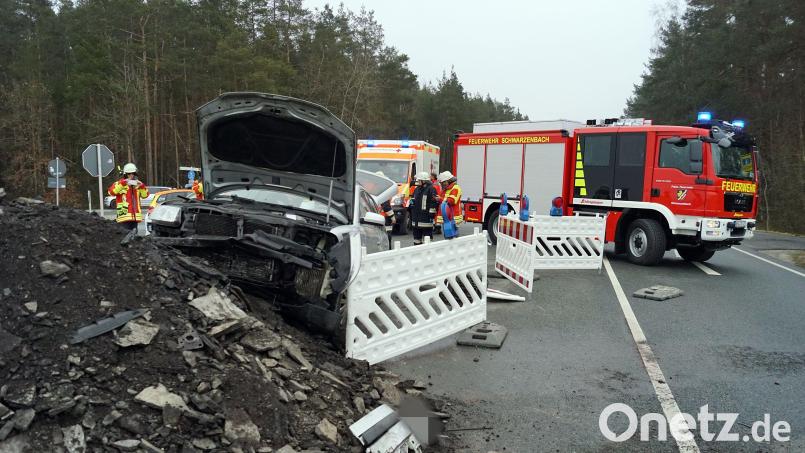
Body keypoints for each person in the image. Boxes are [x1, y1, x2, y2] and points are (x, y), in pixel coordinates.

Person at [107, 163, 149, 232]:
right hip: (123, 217)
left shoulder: (138, 184)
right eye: (129, 174)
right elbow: (111, 192)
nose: (131, 175)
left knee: (134, 239)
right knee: (125, 238)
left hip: (135, 218)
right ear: (125, 174)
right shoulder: (119, 183)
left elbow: (145, 195)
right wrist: (123, 183)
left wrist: (142, 186)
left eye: (133, 173)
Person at [410, 171, 439, 245]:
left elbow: (434, 203)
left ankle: (428, 255)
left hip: (426, 220)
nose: (418, 182)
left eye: (419, 180)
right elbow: (413, 199)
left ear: (424, 181)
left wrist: (431, 215)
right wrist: (411, 205)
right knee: (416, 240)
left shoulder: (431, 189)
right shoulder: (417, 189)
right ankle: (417, 254)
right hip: (416, 220)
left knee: (427, 240)